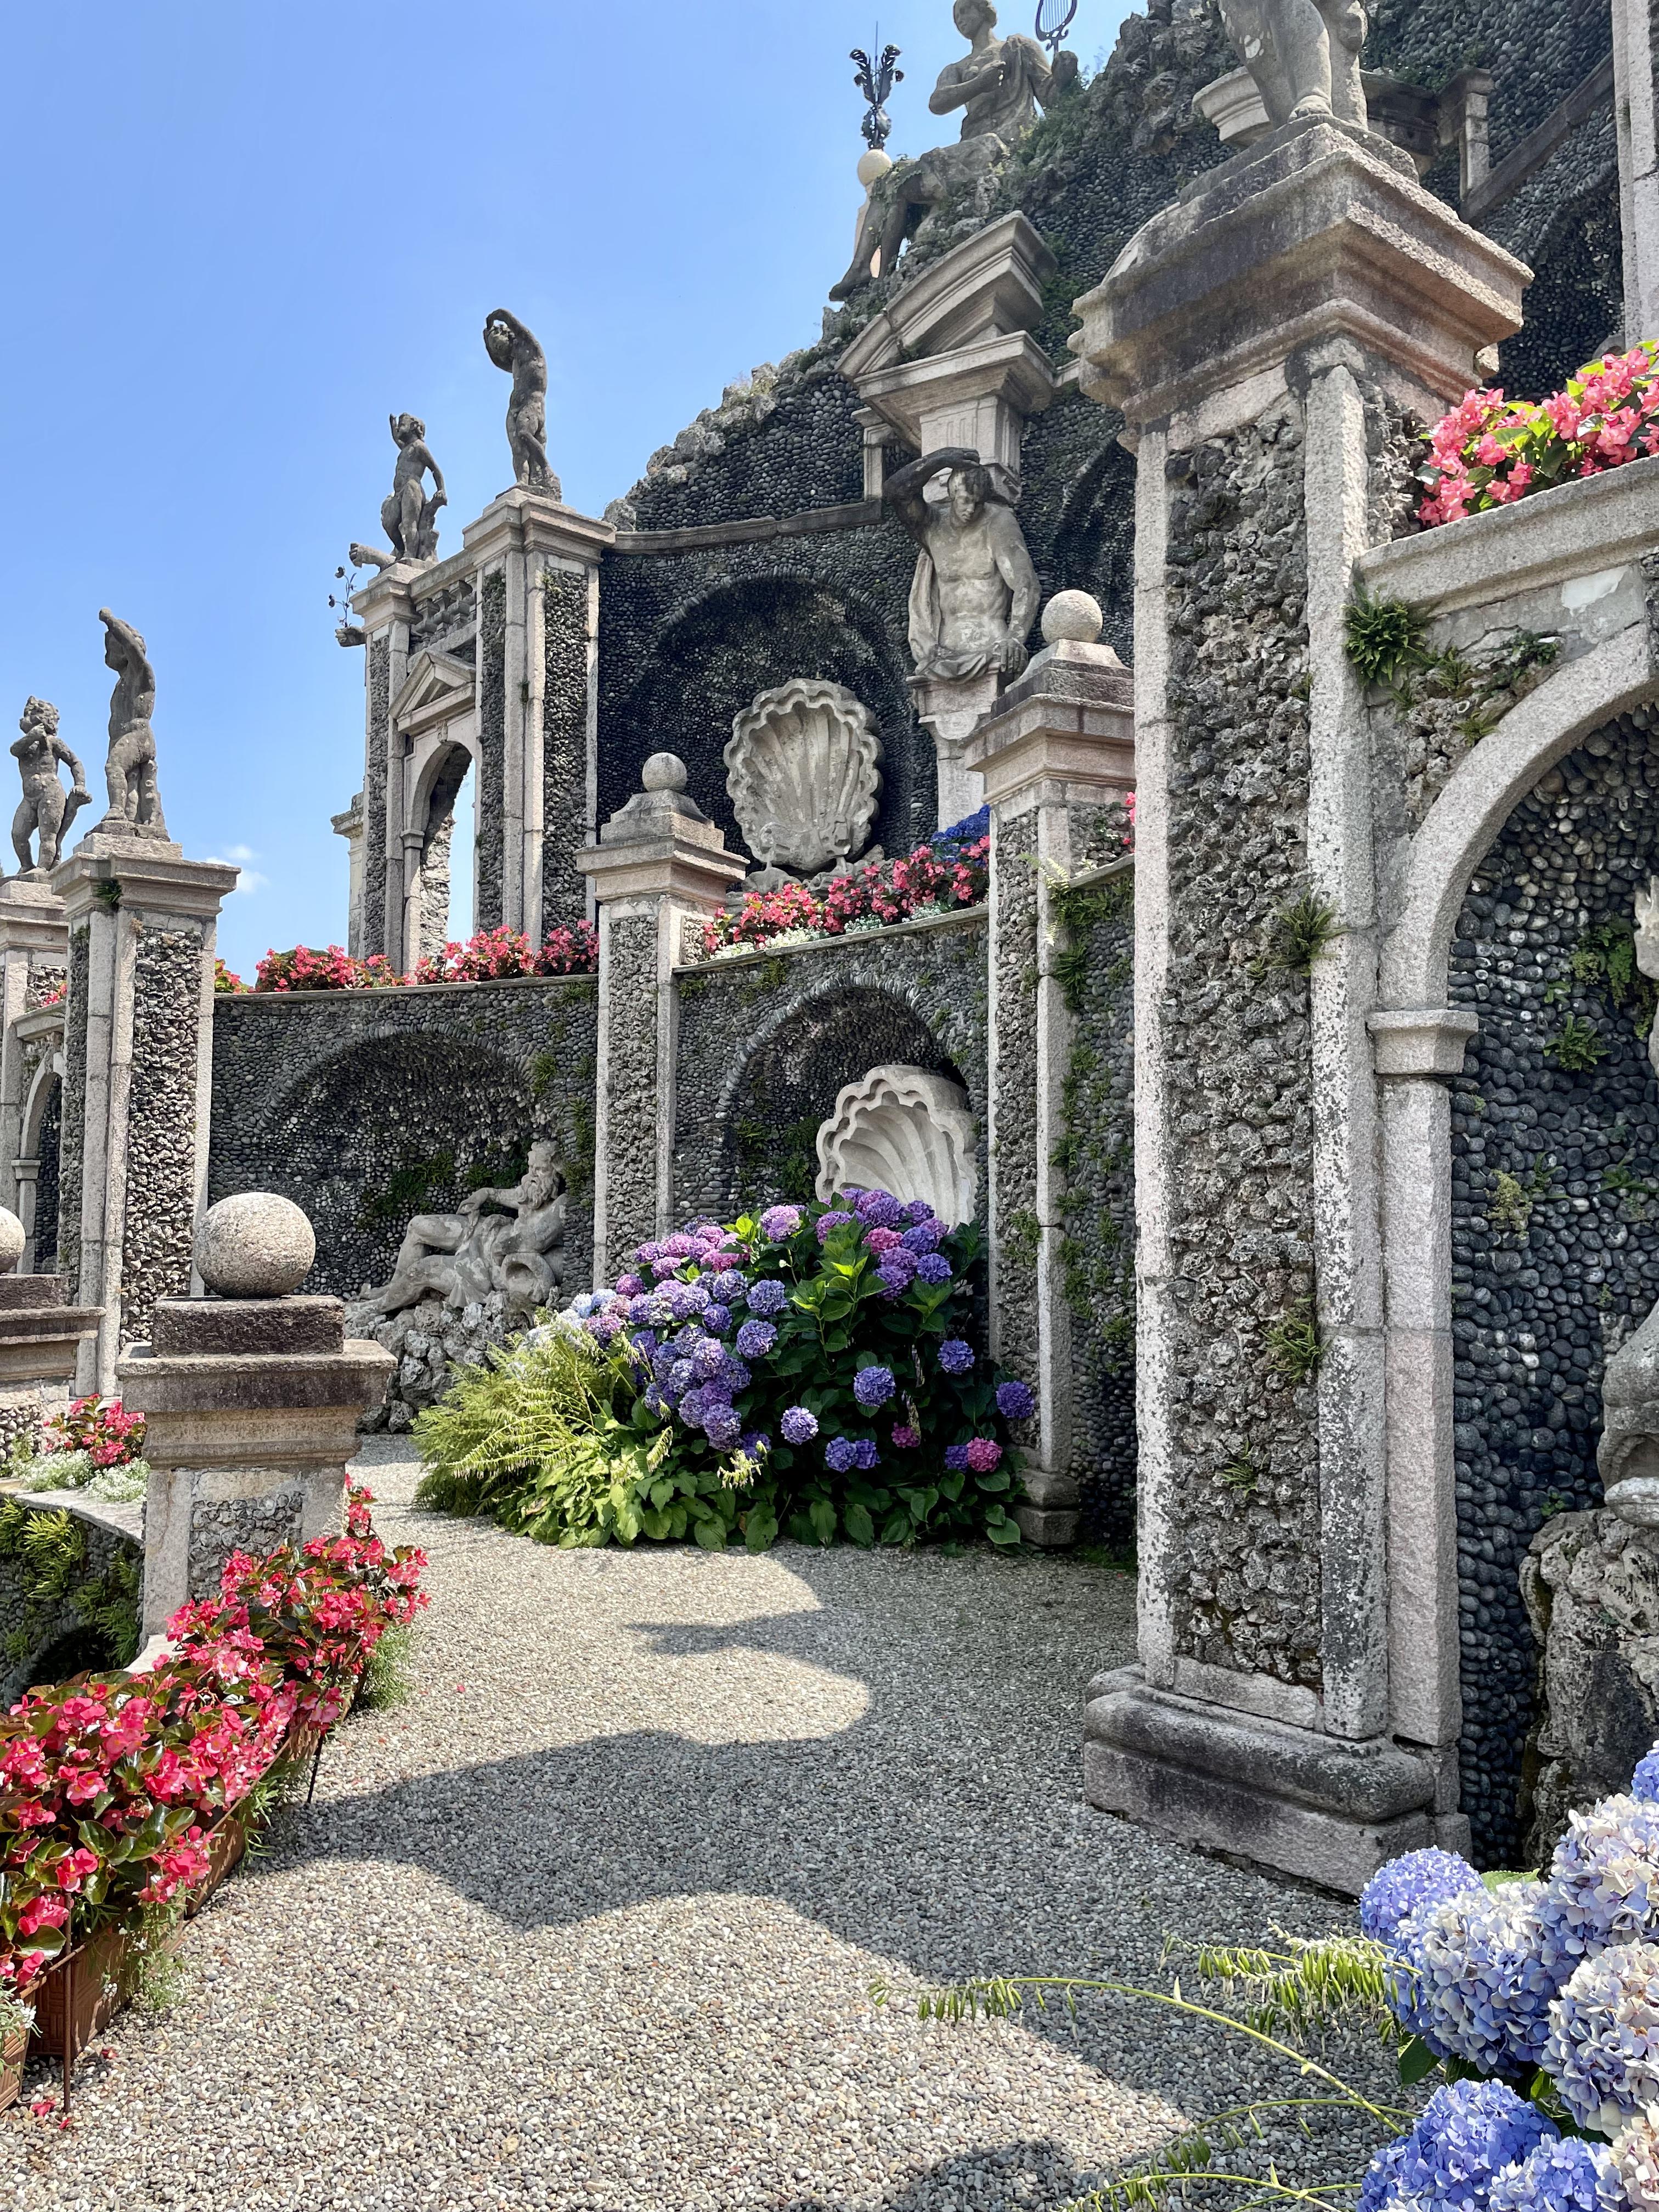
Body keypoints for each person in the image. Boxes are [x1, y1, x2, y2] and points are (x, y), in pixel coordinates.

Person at [831, 0, 1076, 299]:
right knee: (889, 181)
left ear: (985, 11)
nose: (960, 20)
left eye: (965, 11)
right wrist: (979, 84)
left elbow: (1051, 97)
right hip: (971, 147)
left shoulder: (1018, 47)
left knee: (906, 184)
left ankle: (879, 277)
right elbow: (937, 102)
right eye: (956, 16)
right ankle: (867, 272)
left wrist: (1064, 76)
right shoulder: (957, 68)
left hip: (1005, 144)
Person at [883, 447, 1041, 682]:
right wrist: (939, 460)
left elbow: (1026, 585)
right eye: (965, 501)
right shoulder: (931, 525)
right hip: (941, 653)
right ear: (952, 494)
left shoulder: (998, 523)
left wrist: (1015, 638)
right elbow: (895, 492)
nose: (971, 510)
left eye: (978, 503)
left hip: (991, 645)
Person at [96, 611, 167, 838]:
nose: (107, 653)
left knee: (114, 767)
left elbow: (133, 648)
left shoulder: (141, 672)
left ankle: (116, 810)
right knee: (132, 782)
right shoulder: (123, 682)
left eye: (111, 646)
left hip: (138, 734)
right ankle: (129, 816)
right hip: (122, 736)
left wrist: (111, 621)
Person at [9, 699, 89, 874]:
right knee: (18, 834)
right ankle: (27, 865)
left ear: (40, 719)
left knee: (48, 835)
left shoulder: (54, 742)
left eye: (28, 715)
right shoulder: (25, 744)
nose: (23, 720)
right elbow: (14, 750)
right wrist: (32, 737)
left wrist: (80, 784)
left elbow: (75, 762)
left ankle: (43, 868)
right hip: (29, 797)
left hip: (50, 793)